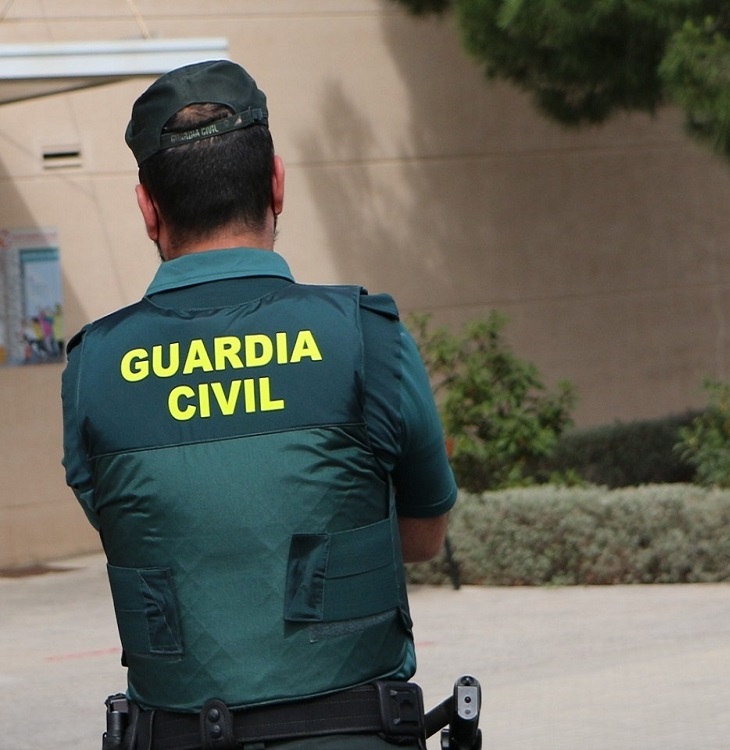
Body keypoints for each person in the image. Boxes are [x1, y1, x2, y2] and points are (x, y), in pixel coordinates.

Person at [61, 59, 458, 749]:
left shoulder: (93, 367)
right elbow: (425, 536)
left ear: (147, 209)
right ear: (277, 183)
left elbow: (157, 529)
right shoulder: (367, 337)